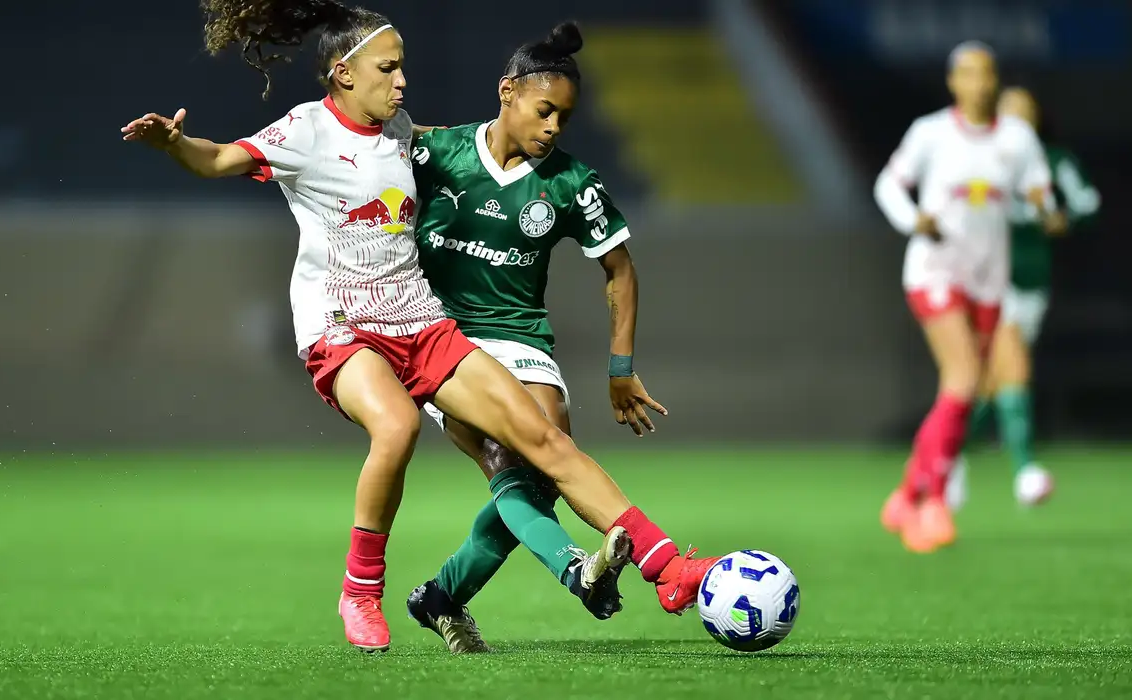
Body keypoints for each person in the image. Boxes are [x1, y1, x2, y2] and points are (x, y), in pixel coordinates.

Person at [120, 0, 714, 653]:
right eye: (389, 67)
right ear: (343, 72)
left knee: (544, 444)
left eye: (403, 67)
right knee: (396, 425)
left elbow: (459, 148)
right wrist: (176, 145)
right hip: (342, 319)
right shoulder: (307, 129)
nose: (402, 80)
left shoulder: (403, 133)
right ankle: (360, 592)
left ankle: (670, 570)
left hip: (420, 320)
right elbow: (219, 160)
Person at [398, 22, 685, 654]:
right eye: (544, 110)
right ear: (507, 93)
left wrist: (620, 366)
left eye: (564, 117)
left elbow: (620, 268)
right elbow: (367, 148)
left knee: (544, 466)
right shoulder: (435, 153)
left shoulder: (569, 183)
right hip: (442, 342)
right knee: (506, 457)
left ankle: (442, 596)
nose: (554, 127)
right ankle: (579, 572)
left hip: (523, 339)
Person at [873, 42, 1056, 553]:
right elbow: (889, 184)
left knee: (962, 391)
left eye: (987, 72)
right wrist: (914, 220)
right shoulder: (931, 133)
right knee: (964, 377)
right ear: (953, 82)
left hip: (987, 282)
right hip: (934, 271)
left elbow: (1039, 188)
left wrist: (1048, 208)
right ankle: (932, 501)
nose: (979, 82)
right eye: (969, 73)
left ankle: (907, 493)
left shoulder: (1017, 139)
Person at [944, 86, 1100, 511]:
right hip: (991, 280)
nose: (1016, 120)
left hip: (1033, 281)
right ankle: (1026, 471)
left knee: (990, 384)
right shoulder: (983, 161)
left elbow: (1088, 202)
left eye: (1024, 112)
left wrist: (1062, 219)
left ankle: (947, 457)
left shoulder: (1053, 162)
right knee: (1012, 365)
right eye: (1008, 111)